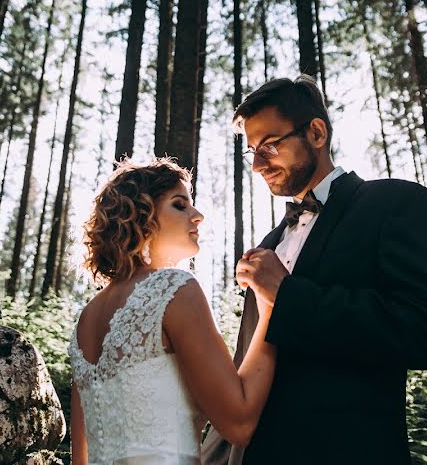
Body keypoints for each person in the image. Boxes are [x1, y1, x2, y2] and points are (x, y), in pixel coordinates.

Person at [201, 75, 427, 464]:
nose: (257, 165)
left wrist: (286, 296)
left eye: (269, 146)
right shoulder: (270, 244)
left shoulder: (394, 203)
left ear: (317, 133)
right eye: (252, 151)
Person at [68, 158, 277, 465]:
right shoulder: (173, 288)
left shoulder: (85, 319)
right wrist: (272, 306)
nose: (198, 216)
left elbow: (80, 459)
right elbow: (240, 422)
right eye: (180, 205)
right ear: (141, 215)